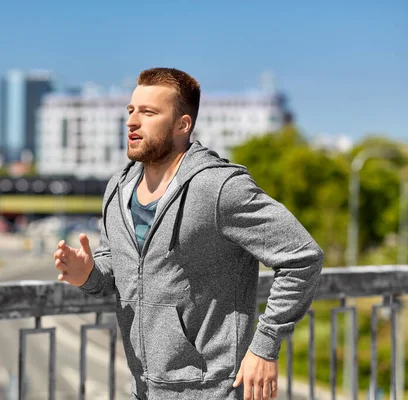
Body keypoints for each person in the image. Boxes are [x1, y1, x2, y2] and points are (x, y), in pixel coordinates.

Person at [53, 67, 324, 400]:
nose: (132, 122)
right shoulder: (117, 189)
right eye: (131, 111)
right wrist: (89, 274)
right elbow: (119, 272)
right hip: (143, 389)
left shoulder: (219, 188)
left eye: (149, 113)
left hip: (210, 391)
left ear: (183, 124)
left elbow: (302, 258)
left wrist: (264, 346)